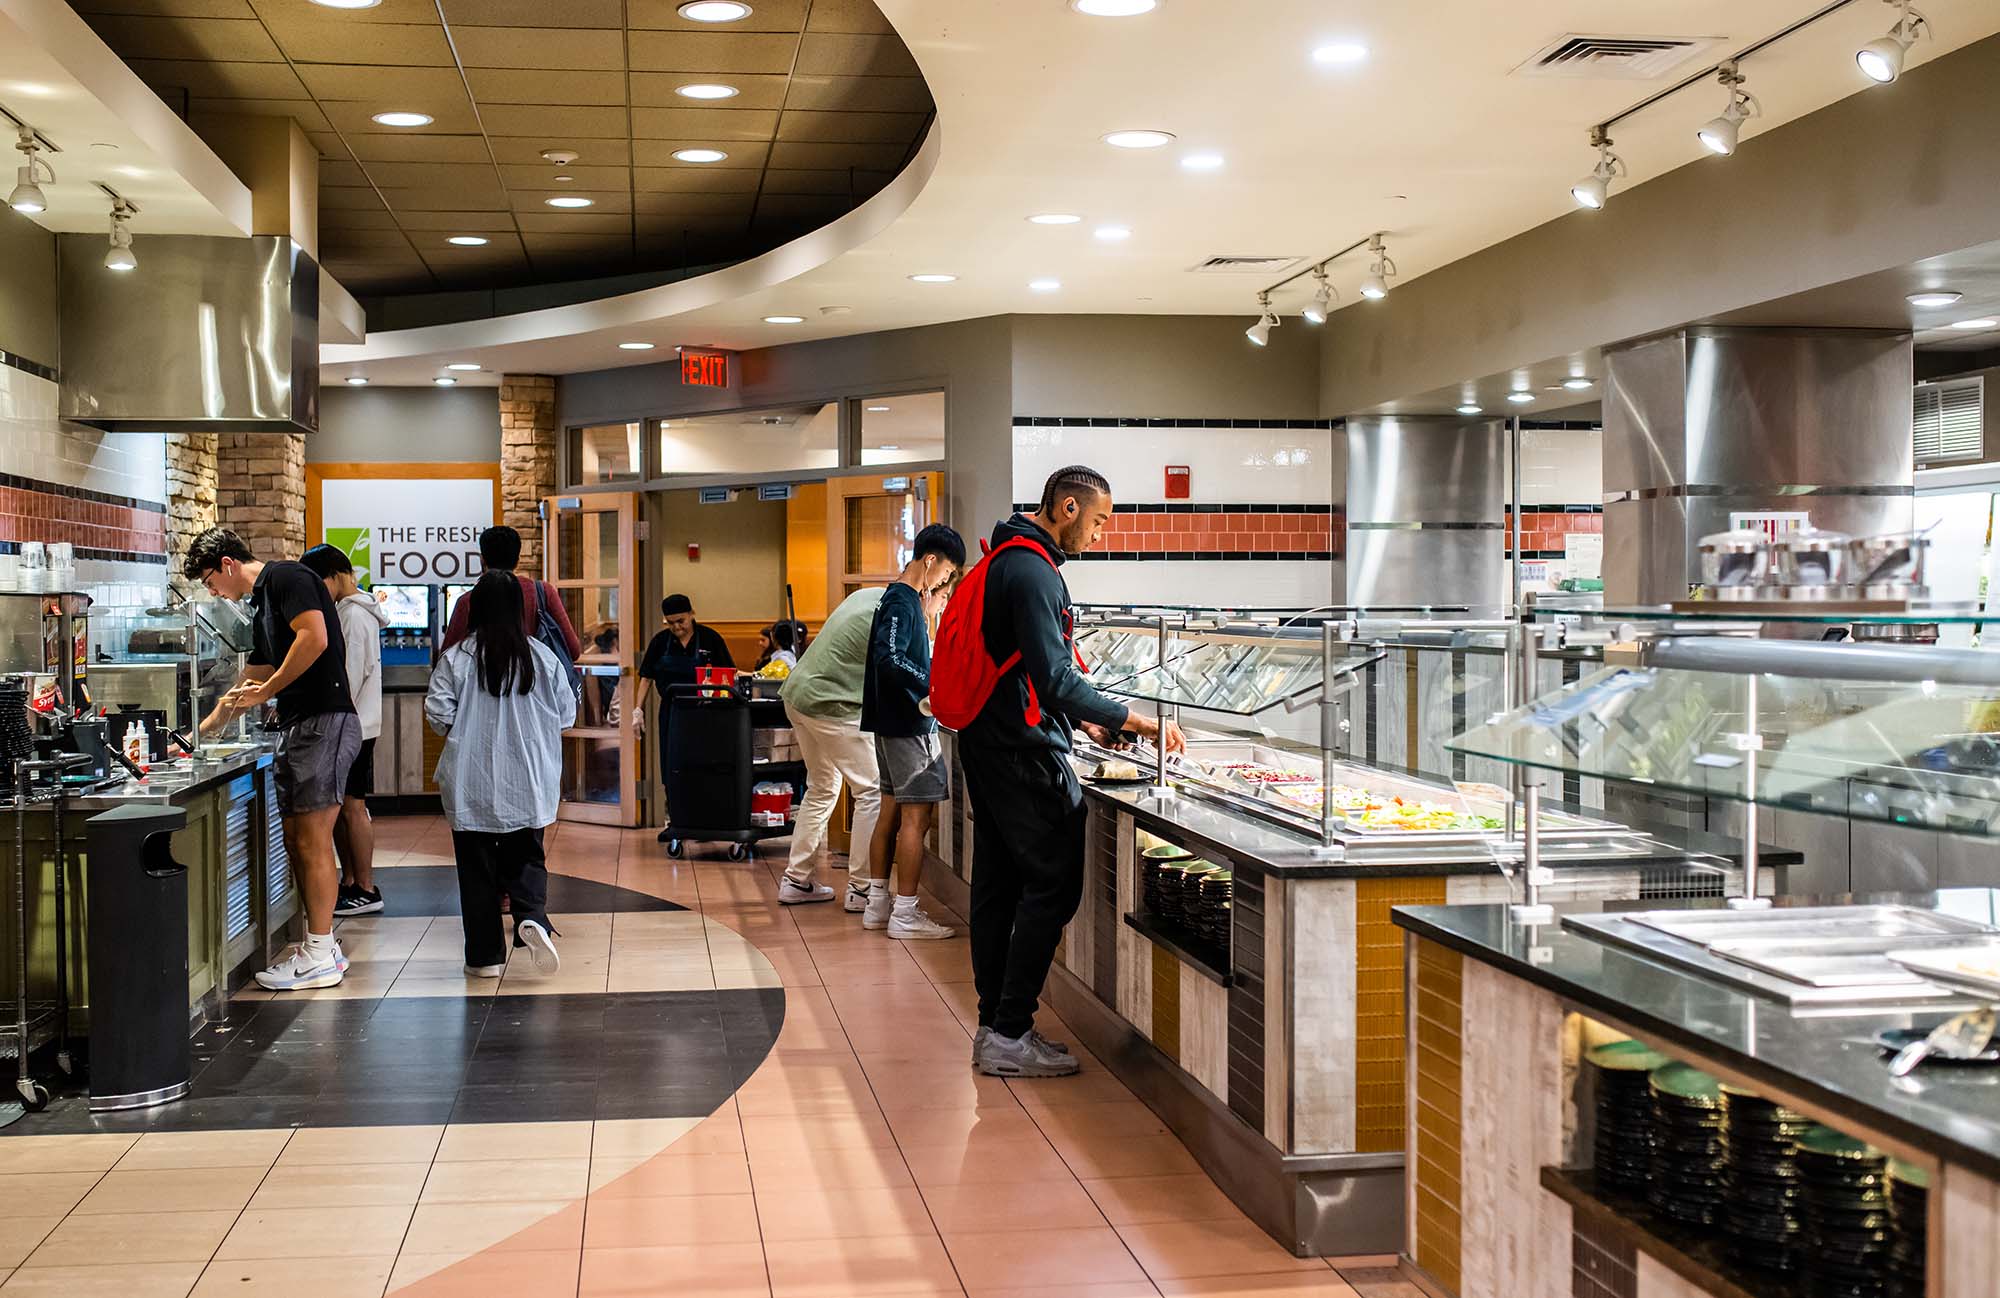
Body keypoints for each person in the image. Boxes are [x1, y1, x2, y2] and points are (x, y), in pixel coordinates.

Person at [959, 466, 1184, 1078]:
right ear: (1066, 507)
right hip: (1021, 753)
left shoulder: (1007, 555)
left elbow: (1027, 669)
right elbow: (1056, 676)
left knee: (999, 886)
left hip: (989, 742)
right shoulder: (1033, 570)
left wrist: (1085, 723)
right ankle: (1009, 1031)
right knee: (1053, 885)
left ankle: (995, 1026)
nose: (1101, 532)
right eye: (1100, 519)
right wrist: (1138, 723)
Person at [186, 527, 360, 992]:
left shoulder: (288, 577)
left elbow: (314, 637)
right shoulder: (263, 601)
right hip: (302, 725)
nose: (213, 592)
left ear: (226, 564)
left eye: (209, 581)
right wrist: (209, 724)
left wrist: (269, 691)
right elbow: (257, 668)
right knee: (296, 839)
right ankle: (321, 947)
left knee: (312, 841)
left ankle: (319, 954)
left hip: (324, 721)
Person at [425, 570, 571, 978]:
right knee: (527, 854)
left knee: (477, 869)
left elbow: (438, 715)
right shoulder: (542, 656)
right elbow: (567, 714)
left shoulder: (457, 658)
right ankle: (531, 917)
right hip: (530, 775)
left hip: (470, 778)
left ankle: (485, 957)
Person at [858, 524, 964, 939]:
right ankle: (905, 913)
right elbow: (890, 658)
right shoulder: (902, 601)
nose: (944, 582)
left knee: (890, 812)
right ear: (931, 560)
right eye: (947, 573)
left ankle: (878, 904)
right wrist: (931, 685)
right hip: (907, 725)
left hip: (888, 723)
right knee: (915, 821)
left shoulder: (897, 597)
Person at [776, 589, 887, 909]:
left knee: (823, 786)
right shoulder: (897, 612)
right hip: (829, 702)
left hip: (798, 695)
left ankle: (796, 880)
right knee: (871, 790)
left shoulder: (866, 596)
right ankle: (862, 889)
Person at [300, 544, 389, 917]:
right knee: (343, 806)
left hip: (352, 723)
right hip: (355, 721)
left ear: (336, 575)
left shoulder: (353, 616)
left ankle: (365, 887)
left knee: (353, 806)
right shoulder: (353, 611)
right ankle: (352, 881)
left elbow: (349, 676)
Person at [636, 594, 735, 842]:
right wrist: (637, 709)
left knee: (705, 763)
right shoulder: (660, 642)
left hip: (707, 711)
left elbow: (728, 673)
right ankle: (678, 821)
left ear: (692, 614)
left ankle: (706, 820)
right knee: (672, 765)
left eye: (681, 621)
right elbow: (646, 677)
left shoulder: (710, 639)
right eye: (670, 623)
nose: (677, 627)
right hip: (673, 710)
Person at [440, 525, 583, 662]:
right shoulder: (543, 593)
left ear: (482, 559)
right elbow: (573, 650)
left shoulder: (467, 600)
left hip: (482, 684)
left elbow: (446, 658)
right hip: (535, 682)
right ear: (517, 561)